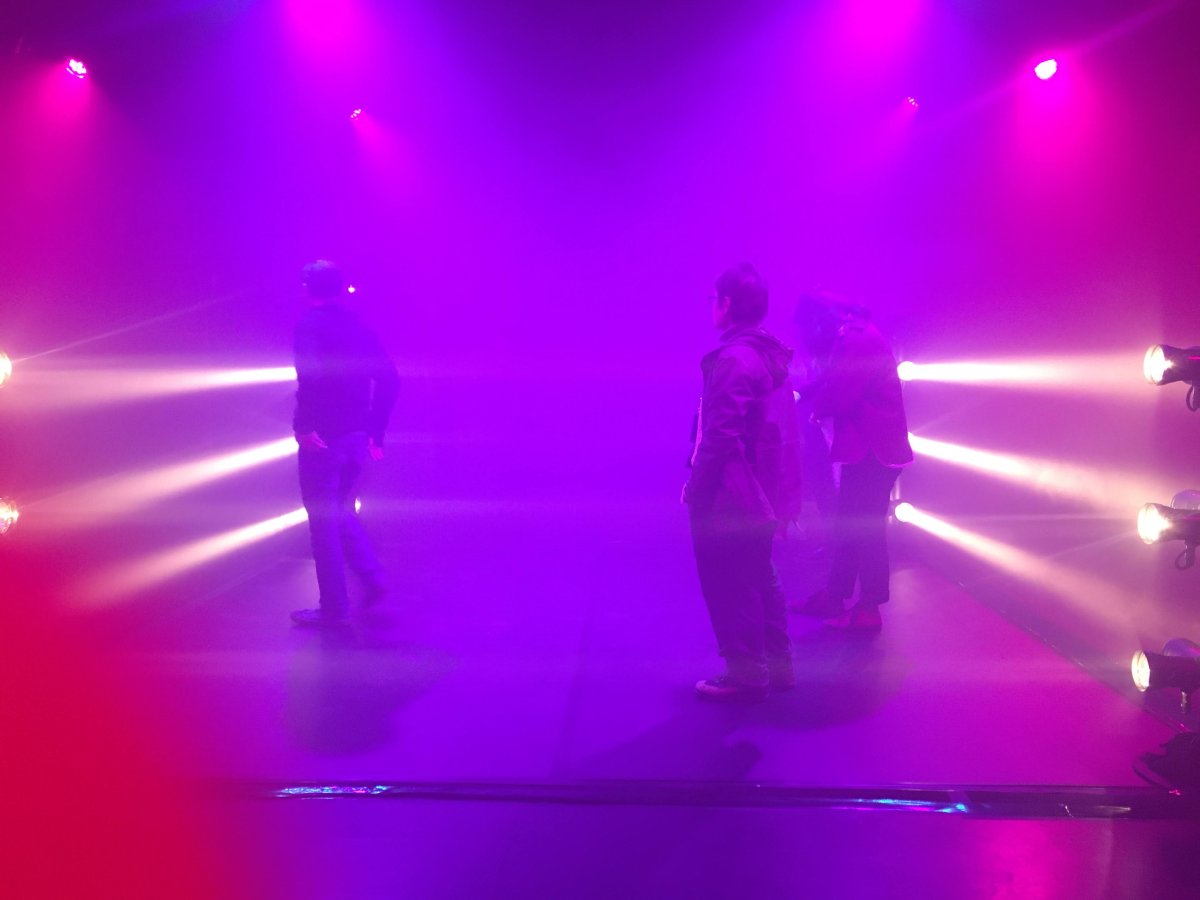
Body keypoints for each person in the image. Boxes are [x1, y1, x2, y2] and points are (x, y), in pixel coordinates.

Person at [684, 263, 804, 701]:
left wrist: (697, 487)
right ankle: (777, 665)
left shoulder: (735, 359)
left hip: (734, 492)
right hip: (764, 490)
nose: (711, 307)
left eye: (713, 299)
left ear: (727, 303)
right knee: (759, 576)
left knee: (729, 582)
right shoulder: (768, 353)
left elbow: (720, 435)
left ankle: (745, 672)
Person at [290, 260, 399, 626]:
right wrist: (375, 430)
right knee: (340, 509)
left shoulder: (310, 325)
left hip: (323, 438)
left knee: (323, 522)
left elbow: (310, 375)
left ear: (307, 288)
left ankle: (334, 608)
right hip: (356, 436)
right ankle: (372, 578)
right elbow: (390, 379)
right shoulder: (358, 325)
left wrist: (304, 425)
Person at [793, 297, 912, 630]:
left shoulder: (856, 339)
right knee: (851, 526)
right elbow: (835, 379)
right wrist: (803, 394)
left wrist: (814, 408)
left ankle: (869, 608)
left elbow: (841, 391)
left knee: (865, 529)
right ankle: (836, 596)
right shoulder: (858, 335)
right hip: (869, 450)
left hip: (872, 452)